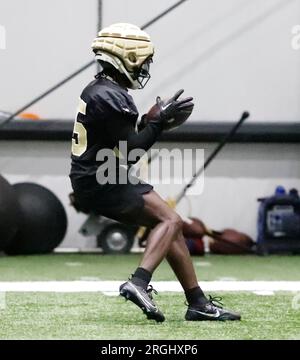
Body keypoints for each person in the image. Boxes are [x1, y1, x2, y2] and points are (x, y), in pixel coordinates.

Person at [69, 23, 241, 322]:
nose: (146, 66)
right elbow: (132, 151)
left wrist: (151, 122)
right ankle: (139, 282)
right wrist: (158, 125)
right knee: (171, 219)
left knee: (169, 226)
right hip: (102, 175)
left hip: (99, 174)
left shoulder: (103, 90)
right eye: (143, 59)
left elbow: (122, 143)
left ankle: (197, 302)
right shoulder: (111, 95)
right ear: (127, 56)